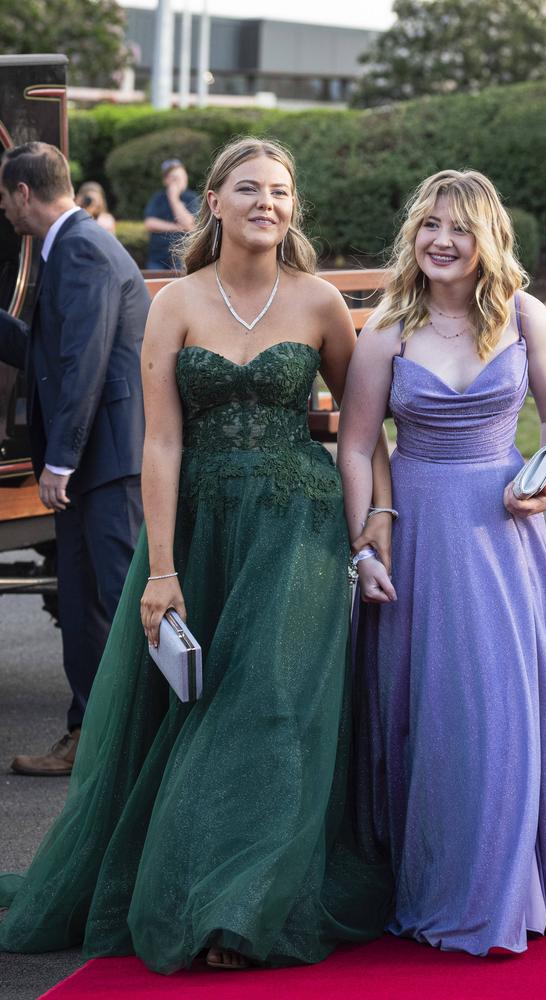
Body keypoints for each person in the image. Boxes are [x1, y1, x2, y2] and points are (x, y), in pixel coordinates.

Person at [0, 137, 393, 973]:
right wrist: (165, 569)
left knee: (269, 707)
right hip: (200, 532)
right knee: (195, 707)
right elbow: (165, 444)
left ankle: (236, 906)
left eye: (281, 193)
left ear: (294, 209)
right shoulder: (175, 303)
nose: (267, 204)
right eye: (248, 189)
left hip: (296, 527)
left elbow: (362, 433)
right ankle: (195, 879)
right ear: (211, 201)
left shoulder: (321, 302)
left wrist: (376, 522)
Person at [337, 169, 546, 956]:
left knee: (502, 708)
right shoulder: (385, 329)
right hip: (416, 534)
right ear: (412, 236)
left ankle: (507, 887)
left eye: (459, 228)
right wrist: (363, 543)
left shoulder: (524, 316)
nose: (442, 242)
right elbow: (356, 444)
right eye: (429, 226)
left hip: (503, 533)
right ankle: (434, 879)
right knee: (428, 716)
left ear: (488, 239)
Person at [0, 143, 148, 776]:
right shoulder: (73, 244)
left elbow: (82, 361)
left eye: (4, 197)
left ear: (25, 193)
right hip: (96, 459)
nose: (3, 210)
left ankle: (139, 752)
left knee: (117, 605)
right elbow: (47, 348)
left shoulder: (81, 248)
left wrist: (59, 460)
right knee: (86, 603)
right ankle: (88, 738)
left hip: (106, 461)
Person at [143, 158, 198, 270]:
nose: (178, 181)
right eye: (173, 178)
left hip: (182, 258)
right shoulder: (158, 198)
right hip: (157, 259)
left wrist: (174, 199)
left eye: (180, 177)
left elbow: (188, 225)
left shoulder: (192, 198)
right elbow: (149, 223)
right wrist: (176, 227)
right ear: (165, 180)